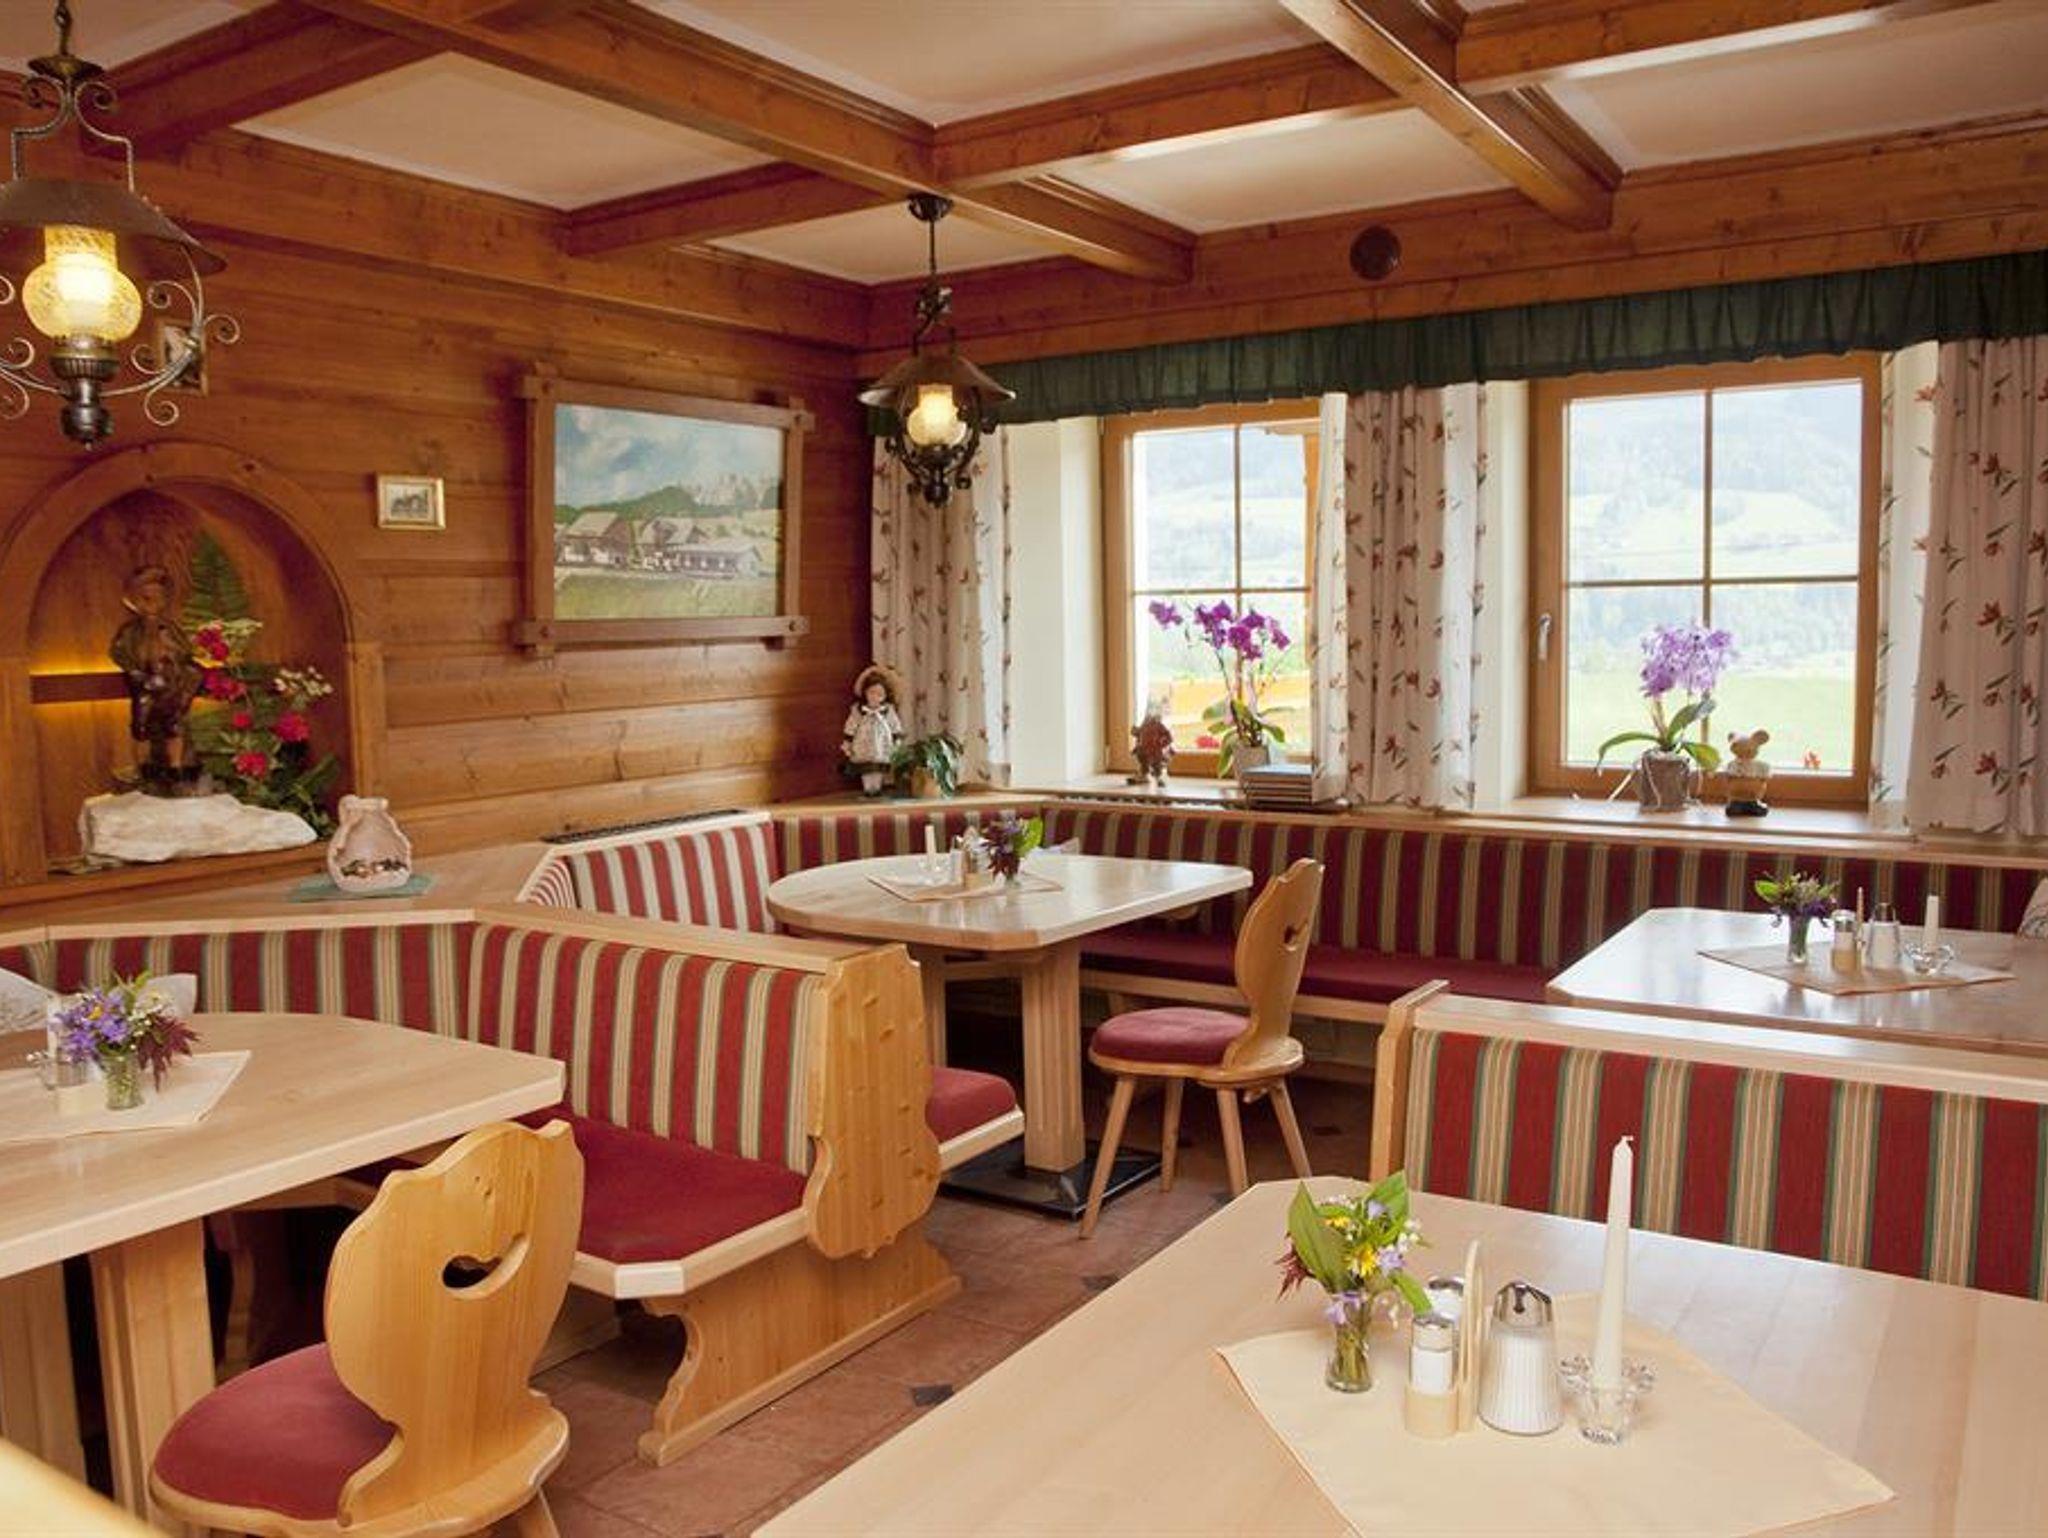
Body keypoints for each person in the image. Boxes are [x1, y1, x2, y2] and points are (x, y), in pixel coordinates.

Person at [108, 564, 204, 789]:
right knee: (141, 726)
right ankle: (142, 768)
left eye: (158, 599)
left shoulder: (169, 628)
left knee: (174, 726)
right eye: (146, 598)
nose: (153, 604)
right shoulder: (131, 631)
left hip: (171, 685)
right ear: (136, 601)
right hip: (144, 685)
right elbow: (119, 652)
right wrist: (136, 672)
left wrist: (172, 652)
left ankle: (176, 768)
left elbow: (186, 652)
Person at [842, 665, 904, 796]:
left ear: (885, 696)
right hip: (864, 742)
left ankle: (876, 788)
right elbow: (851, 724)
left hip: (881, 743)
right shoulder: (859, 710)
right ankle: (868, 788)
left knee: (878, 767)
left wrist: (897, 739)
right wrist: (848, 740)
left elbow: (894, 725)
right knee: (866, 768)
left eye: (879, 694)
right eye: (872, 693)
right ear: (865, 692)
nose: (875, 697)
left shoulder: (888, 710)